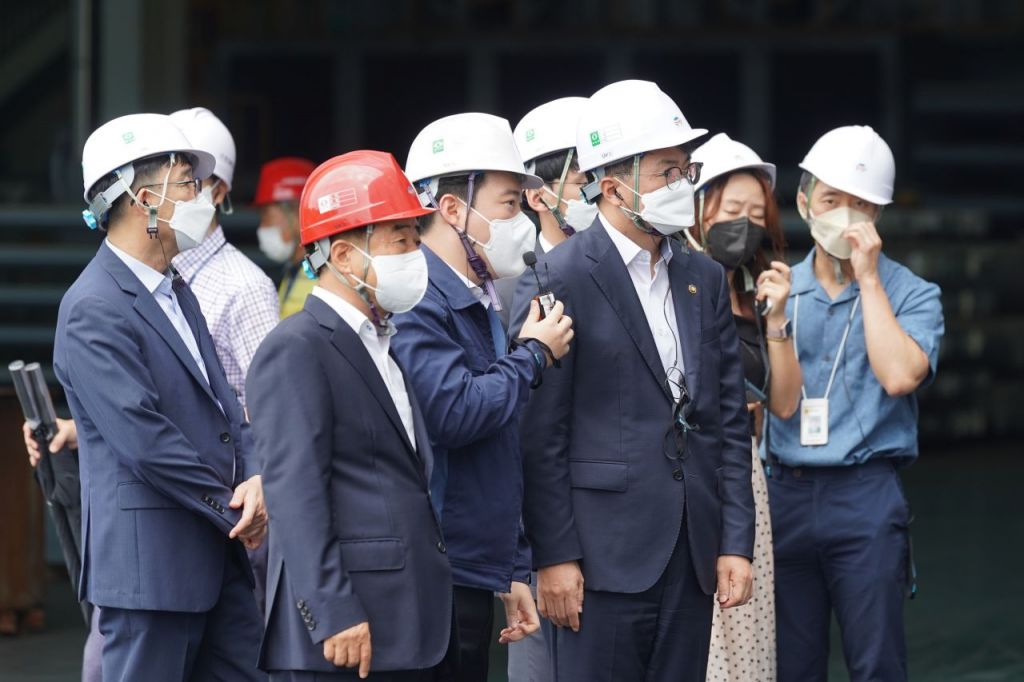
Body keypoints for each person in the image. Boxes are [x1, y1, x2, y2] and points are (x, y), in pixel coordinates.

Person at [512, 80, 755, 682]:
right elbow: (540, 436)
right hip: (600, 560)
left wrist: (735, 541)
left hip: (692, 551)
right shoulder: (559, 277)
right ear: (614, 187)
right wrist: (554, 555)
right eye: (667, 172)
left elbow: (726, 420)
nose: (683, 184)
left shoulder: (702, 276)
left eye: (685, 169)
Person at [56, 113, 267, 681]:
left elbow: (227, 408)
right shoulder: (93, 307)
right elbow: (144, 439)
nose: (203, 198)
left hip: (216, 554)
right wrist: (235, 508)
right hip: (153, 572)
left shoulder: (174, 288)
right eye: (189, 185)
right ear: (145, 199)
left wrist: (257, 476)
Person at [246, 150, 455, 681]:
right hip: (345, 633)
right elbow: (295, 492)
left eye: (416, 238)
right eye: (401, 241)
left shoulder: (383, 342)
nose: (416, 254)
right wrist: (333, 609)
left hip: (404, 620)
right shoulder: (297, 348)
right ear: (343, 255)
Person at [393, 112, 575, 681]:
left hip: (472, 566)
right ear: (452, 208)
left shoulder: (477, 295)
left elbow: (500, 448)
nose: (519, 221)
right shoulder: (420, 298)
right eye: (508, 204)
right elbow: (454, 413)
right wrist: (533, 354)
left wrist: (513, 565)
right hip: (437, 570)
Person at [765, 125, 944, 682]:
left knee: (877, 662)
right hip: (784, 492)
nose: (844, 215)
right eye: (830, 200)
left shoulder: (913, 294)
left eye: (861, 205)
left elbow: (899, 376)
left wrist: (868, 280)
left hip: (865, 494)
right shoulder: (777, 290)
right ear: (803, 203)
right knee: (792, 665)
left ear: (879, 214)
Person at [688, 133, 802, 682]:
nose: (744, 224)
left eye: (756, 214)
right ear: (698, 207)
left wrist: (776, 320)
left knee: (746, 637)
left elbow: (784, 403)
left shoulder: (755, 292)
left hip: (745, 474)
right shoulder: (675, 284)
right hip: (690, 472)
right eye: (732, 209)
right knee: (701, 637)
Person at [504, 94, 592, 682]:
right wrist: (545, 554)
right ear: (540, 197)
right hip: (558, 548)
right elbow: (531, 436)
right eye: (587, 181)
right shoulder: (531, 285)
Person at [169, 107, 280, 406]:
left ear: (218, 193)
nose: (174, 195)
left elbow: (273, 407)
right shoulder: (155, 274)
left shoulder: (246, 288)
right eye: (165, 182)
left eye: (189, 181)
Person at [254, 157, 317, 318]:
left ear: (297, 213)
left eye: (267, 217)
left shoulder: (324, 279)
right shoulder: (295, 272)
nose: (263, 227)